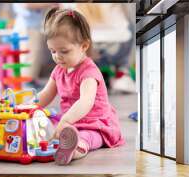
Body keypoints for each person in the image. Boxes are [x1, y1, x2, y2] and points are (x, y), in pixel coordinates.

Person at [37, 8, 125, 165]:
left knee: (89, 137)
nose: (57, 56)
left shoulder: (89, 72)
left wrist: (66, 120)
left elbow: (86, 101)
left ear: (84, 46)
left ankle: (76, 148)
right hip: (70, 123)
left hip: (95, 124)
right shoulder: (59, 70)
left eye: (64, 51)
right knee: (44, 126)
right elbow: (45, 94)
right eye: (52, 51)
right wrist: (29, 107)